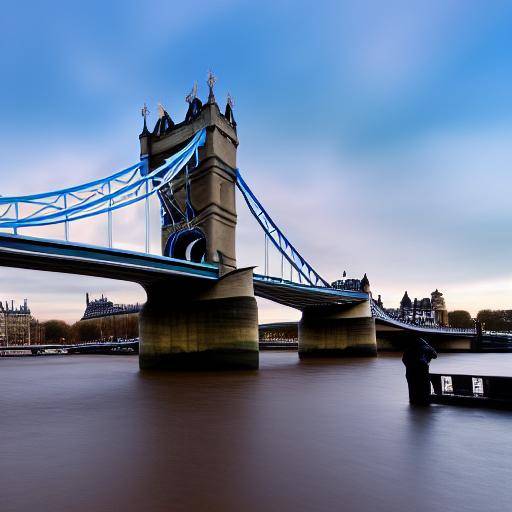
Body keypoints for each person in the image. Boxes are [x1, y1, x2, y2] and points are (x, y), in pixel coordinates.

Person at [402, 338, 437, 405]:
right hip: (423, 373)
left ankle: (413, 401)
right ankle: (424, 402)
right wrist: (428, 346)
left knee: (412, 388)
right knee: (424, 389)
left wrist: (409, 366)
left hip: (410, 373)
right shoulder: (427, 348)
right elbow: (435, 355)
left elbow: (404, 359)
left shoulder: (408, 349)